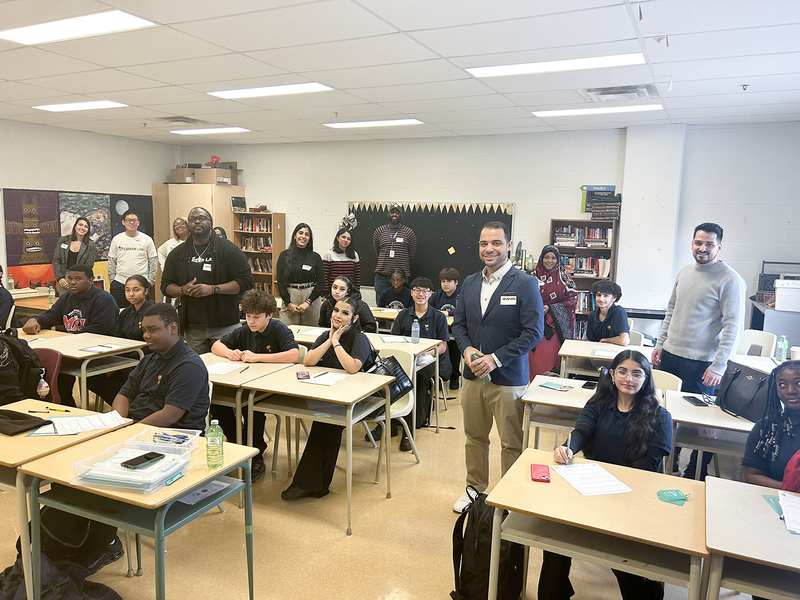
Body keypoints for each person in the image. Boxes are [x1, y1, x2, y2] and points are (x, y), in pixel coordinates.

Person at [540, 350, 673, 600]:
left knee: (621, 559)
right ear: (612, 374)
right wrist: (568, 447)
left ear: (646, 378)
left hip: (633, 499)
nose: (628, 379)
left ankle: (648, 590)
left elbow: (649, 465)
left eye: (637, 373)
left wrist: (613, 492)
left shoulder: (660, 417)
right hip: (593, 489)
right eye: (622, 371)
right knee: (555, 541)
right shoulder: (599, 403)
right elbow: (582, 431)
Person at [451, 221, 544, 513]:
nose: (489, 249)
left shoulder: (525, 283)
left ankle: (510, 496)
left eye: (496, 243)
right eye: (483, 243)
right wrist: (466, 349)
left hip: (507, 378)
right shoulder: (469, 282)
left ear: (508, 245)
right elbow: (461, 325)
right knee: (474, 437)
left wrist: (495, 358)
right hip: (472, 376)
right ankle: (475, 490)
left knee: (511, 443)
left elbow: (533, 333)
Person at [652, 222, 745, 479]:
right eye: (698, 242)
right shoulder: (684, 272)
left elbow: (733, 327)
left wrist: (719, 365)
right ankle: (666, 465)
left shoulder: (730, 280)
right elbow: (671, 311)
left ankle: (696, 472)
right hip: (671, 355)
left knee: (701, 423)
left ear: (719, 247)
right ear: (692, 243)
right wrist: (660, 345)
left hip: (702, 363)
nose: (702, 248)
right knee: (665, 415)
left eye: (709, 244)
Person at [281, 296, 374, 500]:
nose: (338, 316)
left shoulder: (360, 339)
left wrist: (336, 343)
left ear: (355, 318)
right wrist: (329, 339)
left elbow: (353, 367)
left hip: (357, 399)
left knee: (326, 422)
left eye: (345, 313)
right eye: (336, 311)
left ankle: (310, 484)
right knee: (324, 420)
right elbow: (309, 361)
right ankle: (316, 484)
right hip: (329, 394)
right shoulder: (325, 335)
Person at [211, 289, 300, 481]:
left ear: (269, 315)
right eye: (248, 316)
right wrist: (229, 353)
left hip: (273, 388)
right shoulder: (245, 329)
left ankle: (254, 455)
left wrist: (257, 357)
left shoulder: (278, 329)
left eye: (256, 317)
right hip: (244, 384)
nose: (251, 321)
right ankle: (243, 445)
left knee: (252, 409)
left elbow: (294, 355)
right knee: (216, 403)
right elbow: (216, 345)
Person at [22, 264, 118, 407]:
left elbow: (101, 330)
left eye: (78, 279)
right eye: (70, 278)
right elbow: (52, 316)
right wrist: (36, 320)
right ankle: (63, 404)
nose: (73, 282)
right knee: (44, 364)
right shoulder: (67, 297)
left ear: (90, 281)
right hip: (71, 351)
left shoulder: (103, 299)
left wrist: (67, 341)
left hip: (98, 353)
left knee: (58, 365)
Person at [161, 206, 254, 353]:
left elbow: (246, 281)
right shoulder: (178, 254)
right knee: (196, 370)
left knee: (228, 369)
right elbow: (165, 286)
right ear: (188, 224)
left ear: (211, 222)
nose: (197, 222)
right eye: (193, 219)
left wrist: (213, 289)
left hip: (225, 325)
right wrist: (183, 290)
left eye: (202, 218)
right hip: (192, 327)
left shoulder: (229, 250)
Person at [112, 302, 209, 431]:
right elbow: (123, 396)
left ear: (173, 328)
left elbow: (170, 415)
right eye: (144, 330)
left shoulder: (189, 366)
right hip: (138, 428)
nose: (146, 335)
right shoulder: (148, 360)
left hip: (171, 436)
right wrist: (119, 425)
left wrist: (131, 431)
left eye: (153, 330)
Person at [389, 276, 452, 449]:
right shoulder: (403, 315)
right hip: (405, 357)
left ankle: (410, 428)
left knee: (418, 376)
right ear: (411, 292)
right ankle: (391, 424)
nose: (420, 294)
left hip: (427, 360)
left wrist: (423, 353)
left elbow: (442, 347)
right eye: (417, 290)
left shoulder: (438, 317)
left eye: (425, 291)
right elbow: (394, 341)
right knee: (388, 374)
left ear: (431, 294)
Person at [742, 360, 800, 489]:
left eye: (798, 383)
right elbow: (752, 475)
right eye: (782, 385)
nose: (790, 390)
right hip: (780, 500)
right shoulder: (767, 428)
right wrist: (790, 489)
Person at [529, 245, 578, 378]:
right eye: (546, 257)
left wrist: (550, 308)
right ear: (541, 259)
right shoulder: (531, 278)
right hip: (534, 327)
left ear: (558, 260)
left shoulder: (564, 278)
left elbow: (572, 299)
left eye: (553, 258)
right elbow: (524, 298)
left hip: (555, 328)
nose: (549, 261)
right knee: (534, 364)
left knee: (550, 363)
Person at [276, 222, 325, 326]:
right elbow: (280, 282)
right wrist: (289, 304)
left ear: (309, 238)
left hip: (311, 297)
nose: (303, 236)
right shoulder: (284, 255)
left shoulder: (315, 257)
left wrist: (308, 302)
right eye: (300, 233)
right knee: (287, 331)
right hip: (290, 296)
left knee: (311, 332)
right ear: (295, 235)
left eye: (307, 234)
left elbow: (321, 283)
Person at [108, 209, 158, 308]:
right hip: (120, 283)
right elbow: (112, 261)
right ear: (123, 222)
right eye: (128, 220)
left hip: (141, 284)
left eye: (134, 220)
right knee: (120, 314)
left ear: (138, 223)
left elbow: (153, 262)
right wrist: (112, 281)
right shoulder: (117, 239)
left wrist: (149, 282)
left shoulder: (147, 239)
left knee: (142, 315)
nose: (132, 223)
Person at [372, 204, 417, 301]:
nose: (394, 214)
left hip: (402, 278)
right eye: (392, 212)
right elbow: (377, 251)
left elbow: (411, 253)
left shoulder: (409, 232)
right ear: (388, 214)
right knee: (381, 308)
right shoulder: (379, 231)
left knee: (402, 306)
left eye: (397, 212)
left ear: (401, 215)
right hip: (382, 277)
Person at [431, 267, 461, 391]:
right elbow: (429, 307)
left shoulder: (461, 295)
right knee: (439, 348)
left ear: (456, 282)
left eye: (449, 281)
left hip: (455, 330)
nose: (445, 284)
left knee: (454, 348)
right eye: (443, 281)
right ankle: (440, 376)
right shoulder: (437, 294)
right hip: (439, 331)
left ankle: (455, 376)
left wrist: (448, 313)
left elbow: (463, 310)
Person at [53, 216, 98, 296]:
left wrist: (76, 280)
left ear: (88, 230)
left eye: (86, 226)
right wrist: (60, 278)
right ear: (75, 226)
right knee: (65, 305)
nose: (83, 228)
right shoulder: (63, 240)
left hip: (81, 280)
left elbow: (88, 265)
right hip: (64, 281)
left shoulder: (90, 245)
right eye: (80, 225)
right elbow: (56, 260)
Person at [586, 280, 630, 345]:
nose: (601, 299)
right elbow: (590, 340)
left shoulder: (618, 312)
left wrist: (605, 340)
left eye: (606, 296)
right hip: (597, 351)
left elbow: (624, 340)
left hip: (615, 351)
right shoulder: (592, 315)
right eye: (598, 295)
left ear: (614, 298)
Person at [322, 227, 360, 292]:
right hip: (334, 292)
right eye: (343, 237)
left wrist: (357, 291)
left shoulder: (354, 255)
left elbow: (357, 276)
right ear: (337, 238)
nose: (345, 240)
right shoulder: (329, 254)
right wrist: (325, 293)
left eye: (348, 239)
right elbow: (324, 276)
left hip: (349, 293)